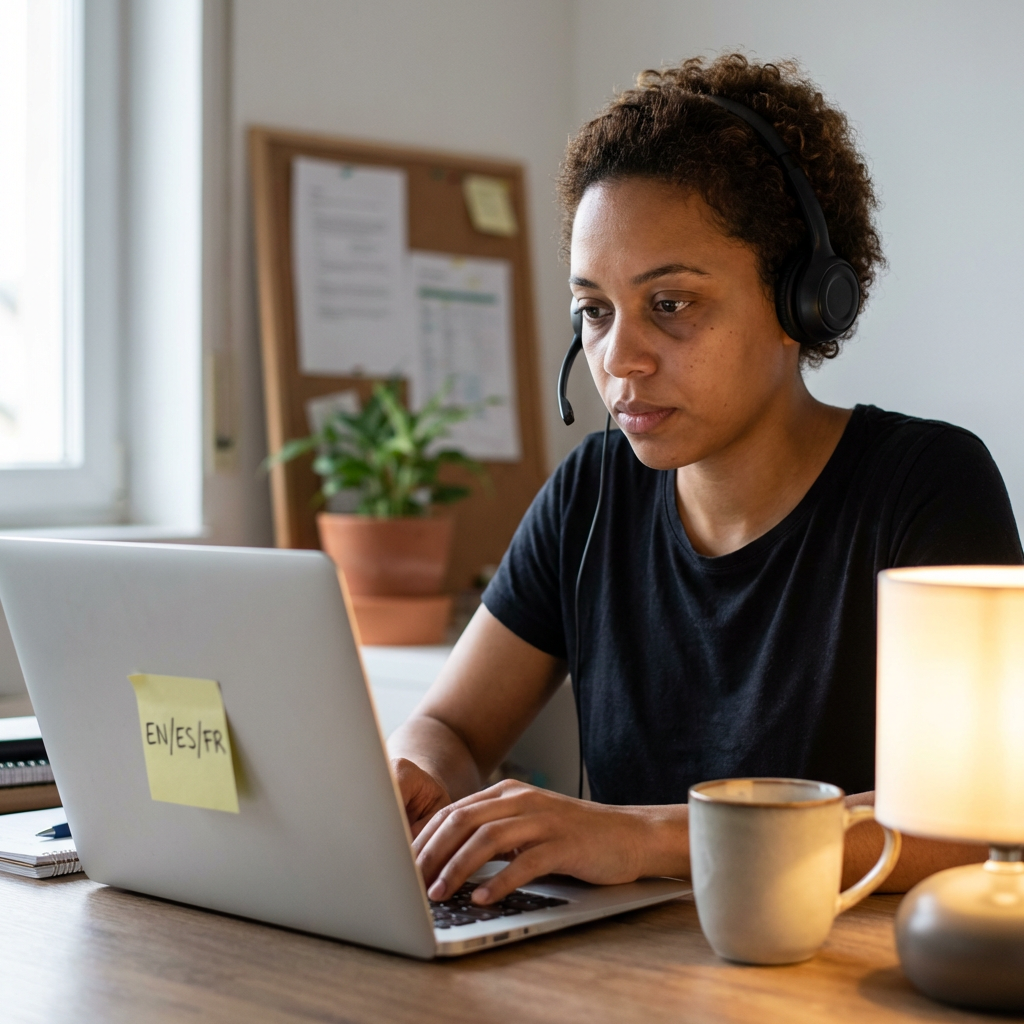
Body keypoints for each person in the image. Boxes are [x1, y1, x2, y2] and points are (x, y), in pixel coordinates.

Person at [388, 53, 1023, 907]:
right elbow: (452, 728)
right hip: (614, 975)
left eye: (672, 304)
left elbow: (967, 823)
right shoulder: (590, 494)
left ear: (802, 303)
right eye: (595, 310)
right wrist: (420, 782)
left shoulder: (925, 487)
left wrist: (641, 836)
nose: (618, 359)